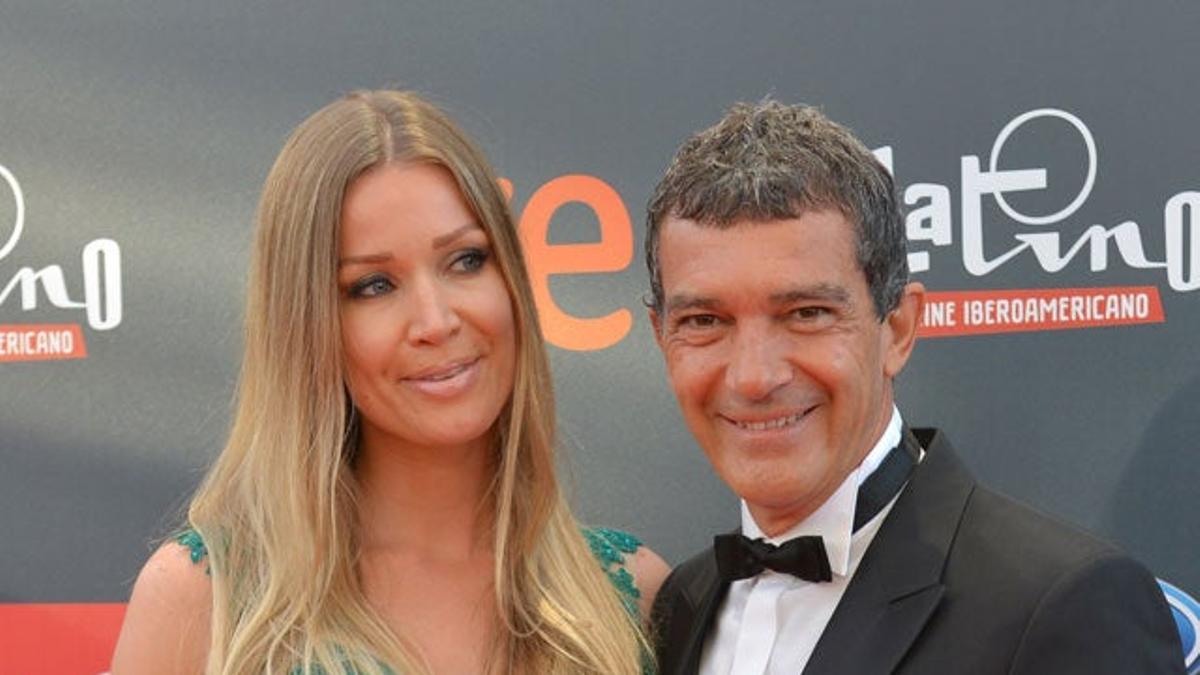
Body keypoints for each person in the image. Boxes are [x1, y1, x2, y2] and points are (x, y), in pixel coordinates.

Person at [111, 90, 668, 675]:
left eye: (466, 261)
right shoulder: (206, 602)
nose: (436, 321)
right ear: (307, 327)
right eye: (374, 285)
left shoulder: (631, 596)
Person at [645, 100, 1184, 674]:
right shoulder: (677, 607)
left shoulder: (1062, 604)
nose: (753, 377)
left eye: (806, 313)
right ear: (661, 337)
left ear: (898, 328)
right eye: (704, 321)